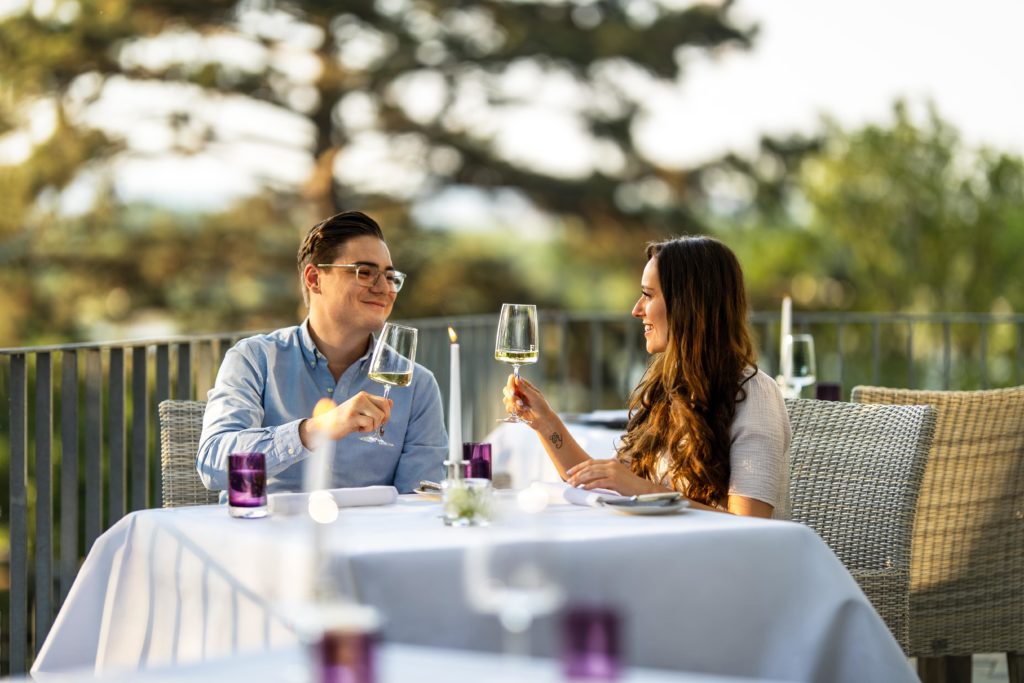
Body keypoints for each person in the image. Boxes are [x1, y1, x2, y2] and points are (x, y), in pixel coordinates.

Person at [503, 236, 790, 518]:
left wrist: (638, 488)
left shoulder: (753, 393)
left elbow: (751, 525)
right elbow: (602, 480)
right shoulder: (669, 386)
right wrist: (544, 421)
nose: (636, 310)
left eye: (648, 295)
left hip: (727, 563)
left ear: (688, 305)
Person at [197, 211, 446, 494]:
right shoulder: (254, 360)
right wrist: (317, 429)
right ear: (314, 278)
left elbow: (420, 499)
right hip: (265, 534)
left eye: (390, 277)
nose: (383, 288)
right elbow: (212, 466)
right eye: (364, 272)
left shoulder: (418, 386)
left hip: (370, 537)